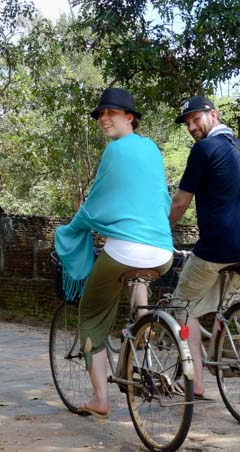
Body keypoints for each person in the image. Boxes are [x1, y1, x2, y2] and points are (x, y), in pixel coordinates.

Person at [55, 88, 174, 418]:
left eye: (111, 113)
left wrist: (68, 230)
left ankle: (100, 399)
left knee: (91, 317)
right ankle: (142, 326)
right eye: (100, 114)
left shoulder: (115, 151)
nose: (104, 118)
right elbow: (160, 201)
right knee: (138, 281)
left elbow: (96, 203)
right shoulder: (152, 149)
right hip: (162, 252)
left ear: (129, 117)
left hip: (125, 250)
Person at [169, 95, 240, 398]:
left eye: (195, 119)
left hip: (220, 246)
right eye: (187, 123)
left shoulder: (204, 149)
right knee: (231, 295)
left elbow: (179, 203)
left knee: (182, 306)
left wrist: (163, 232)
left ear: (213, 115)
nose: (191, 126)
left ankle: (195, 382)